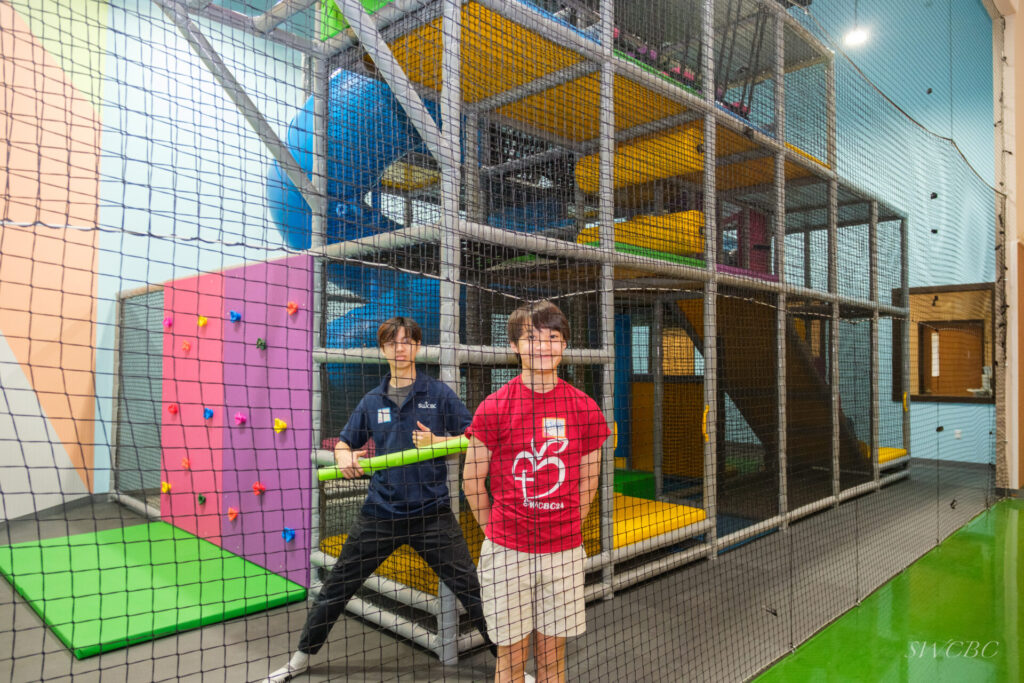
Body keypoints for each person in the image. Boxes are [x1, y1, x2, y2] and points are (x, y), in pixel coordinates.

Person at [266, 317, 493, 682]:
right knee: (336, 588)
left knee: (472, 588)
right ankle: (299, 660)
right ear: (383, 348)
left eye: (407, 341)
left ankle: (511, 667)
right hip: (380, 513)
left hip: (432, 514)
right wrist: (343, 456)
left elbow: (474, 436)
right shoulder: (373, 400)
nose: (400, 348)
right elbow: (345, 442)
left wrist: (438, 443)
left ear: (417, 346)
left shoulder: (438, 394)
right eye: (392, 342)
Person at [464, 301, 610, 683]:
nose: (543, 346)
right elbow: (471, 481)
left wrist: (566, 528)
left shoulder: (585, 408)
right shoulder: (493, 407)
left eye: (553, 337)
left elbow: (589, 481)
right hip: (506, 554)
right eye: (532, 337)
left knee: (551, 661)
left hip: (563, 554)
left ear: (565, 344)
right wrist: (496, 532)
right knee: (510, 661)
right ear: (514, 345)